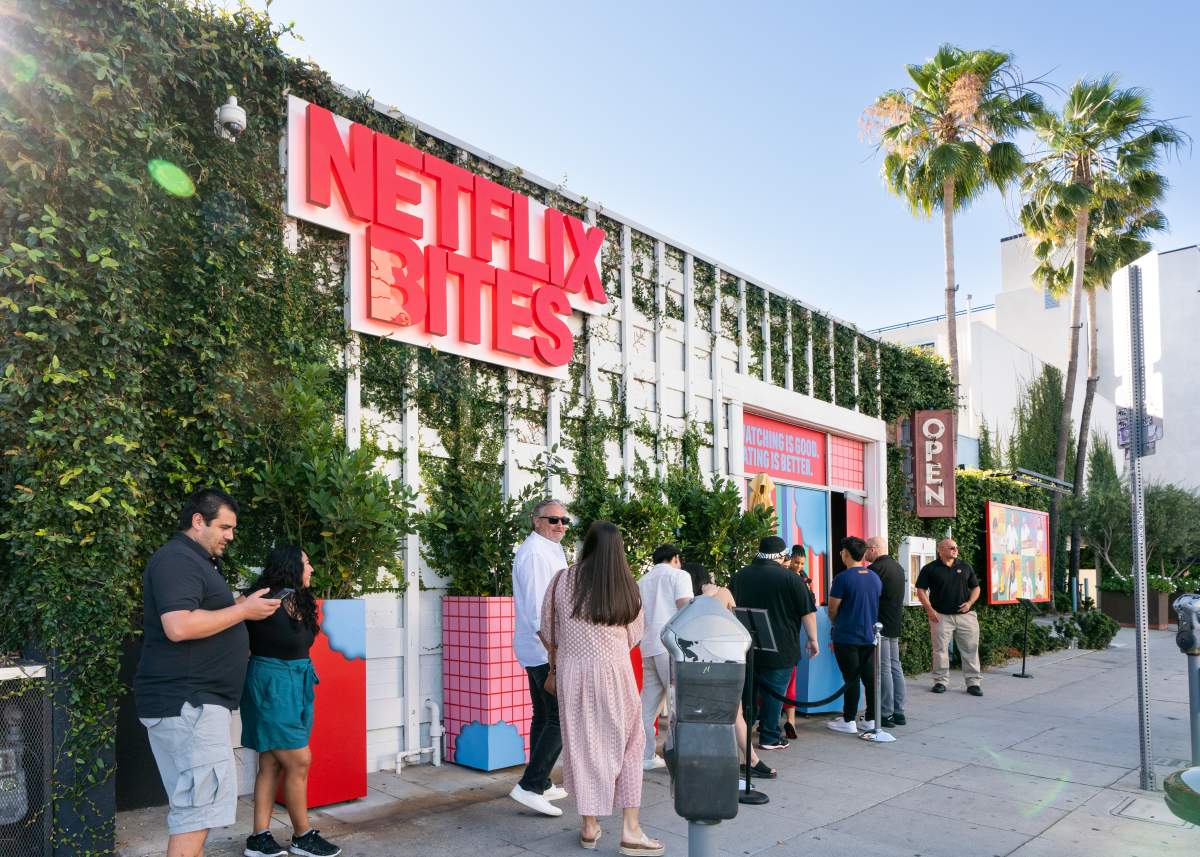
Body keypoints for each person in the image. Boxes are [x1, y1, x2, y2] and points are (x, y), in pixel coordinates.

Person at [133, 489, 280, 857]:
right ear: (198, 521)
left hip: (191, 705)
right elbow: (179, 626)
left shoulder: (194, 561)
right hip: (189, 704)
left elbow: (199, 615)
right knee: (195, 814)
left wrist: (239, 605)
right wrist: (243, 612)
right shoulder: (177, 560)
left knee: (195, 812)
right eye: (224, 527)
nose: (230, 535)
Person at [541, 521, 663, 856]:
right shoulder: (627, 586)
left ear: (586, 545)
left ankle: (589, 825)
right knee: (628, 744)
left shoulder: (562, 581)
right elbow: (635, 634)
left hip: (572, 673)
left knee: (581, 747)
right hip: (615, 673)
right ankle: (630, 829)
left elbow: (547, 630)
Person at [240, 546, 339, 857]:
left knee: (270, 762)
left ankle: (259, 838)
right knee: (299, 759)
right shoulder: (264, 597)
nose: (311, 569)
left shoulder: (301, 600)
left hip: (298, 683)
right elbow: (230, 619)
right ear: (291, 566)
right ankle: (303, 835)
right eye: (307, 563)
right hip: (270, 684)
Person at [683, 562, 776, 780]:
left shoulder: (689, 600)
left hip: (699, 661)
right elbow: (738, 623)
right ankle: (751, 760)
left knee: (704, 714)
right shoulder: (723, 593)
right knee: (736, 714)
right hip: (727, 659)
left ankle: (707, 760)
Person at [509, 499, 571, 817]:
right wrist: (555, 650)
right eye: (553, 520)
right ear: (536, 521)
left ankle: (542, 782)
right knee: (560, 716)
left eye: (564, 520)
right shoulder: (534, 553)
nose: (560, 525)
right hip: (543, 647)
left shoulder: (549, 548)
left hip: (543, 646)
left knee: (545, 715)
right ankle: (530, 785)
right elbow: (537, 611)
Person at [730, 535, 819, 751]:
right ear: (781, 556)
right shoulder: (791, 578)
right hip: (782, 646)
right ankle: (770, 736)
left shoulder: (740, 576)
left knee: (747, 691)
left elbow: (729, 606)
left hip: (746, 645)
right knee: (774, 693)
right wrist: (813, 639)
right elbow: (807, 612)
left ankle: (743, 730)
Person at [637, 544, 693, 770]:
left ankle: (644, 756)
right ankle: (677, 755)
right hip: (671, 646)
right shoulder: (679, 575)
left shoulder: (643, 580)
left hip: (648, 645)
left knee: (647, 706)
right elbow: (686, 608)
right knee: (679, 702)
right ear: (676, 558)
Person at [826, 537, 882, 734]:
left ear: (846, 554)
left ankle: (849, 719)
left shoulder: (842, 578)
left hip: (846, 636)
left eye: (842, 551)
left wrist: (835, 623)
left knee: (851, 678)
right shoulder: (875, 577)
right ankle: (871, 718)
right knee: (869, 678)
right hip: (869, 636)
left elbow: (832, 608)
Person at [916, 538, 983, 696]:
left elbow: (976, 588)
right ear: (941, 550)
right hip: (940, 616)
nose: (955, 549)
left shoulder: (964, 566)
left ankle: (973, 682)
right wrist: (930, 610)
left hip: (965, 616)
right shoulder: (930, 568)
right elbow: (920, 590)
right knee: (940, 651)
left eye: (956, 547)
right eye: (951, 547)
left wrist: (970, 603)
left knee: (970, 649)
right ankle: (940, 681)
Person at [866, 536, 907, 727]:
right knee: (895, 666)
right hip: (894, 622)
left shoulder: (875, 569)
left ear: (874, 549)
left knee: (883, 669)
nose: (865, 553)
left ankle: (885, 713)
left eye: (867, 548)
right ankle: (899, 711)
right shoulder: (897, 567)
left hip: (880, 624)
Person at [782, 544, 810, 740]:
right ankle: (777, 719)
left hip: (793, 632)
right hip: (787, 631)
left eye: (801, 563)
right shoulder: (783, 576)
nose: (798, 566)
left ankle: (791, 721)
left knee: (790, 678)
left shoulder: (803, 578)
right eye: (796, 562)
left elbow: (809, 605)